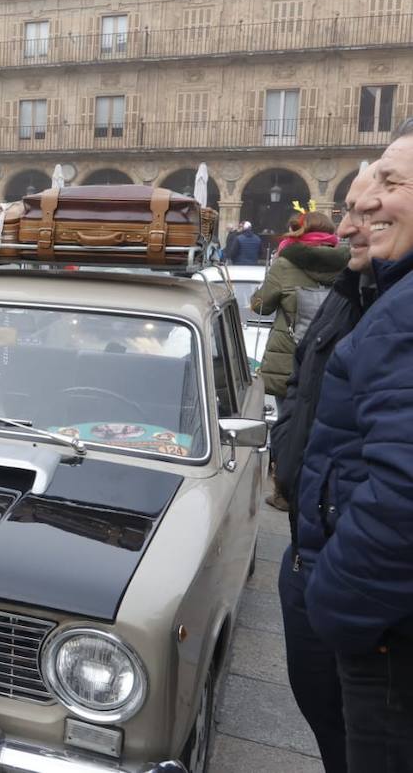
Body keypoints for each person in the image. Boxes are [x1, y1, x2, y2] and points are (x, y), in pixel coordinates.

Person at [297, 126, 413, 770]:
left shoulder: (402, 309)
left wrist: (336, 604)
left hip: (384, 633)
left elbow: (405, 491)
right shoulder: (381, 294)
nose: (360, 213)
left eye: (391, 185)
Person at [273, 168, 378, 773]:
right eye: (345, 212)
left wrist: (337, 586)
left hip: (347, 569)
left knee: (362, 735)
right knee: (329, 722)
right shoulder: (352, 289)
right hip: (311, 546)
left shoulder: (385, 301)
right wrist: (289, 447)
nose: (346, 227)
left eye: (363, 214)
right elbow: (304, 386)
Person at [252, 210, 348, 400]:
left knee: (287, 421)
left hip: (288, 361)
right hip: (334, 357)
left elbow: (260, 306)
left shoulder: (285, 264)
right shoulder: (349, 263)